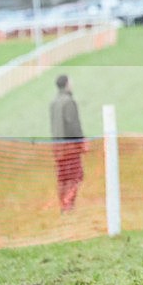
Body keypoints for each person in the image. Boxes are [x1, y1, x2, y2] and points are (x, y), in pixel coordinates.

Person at [50, 74, 86, 213]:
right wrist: (81, 141)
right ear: (66, 84)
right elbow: (73, 125)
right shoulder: (69, 102)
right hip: (70, 146)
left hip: (57, 146)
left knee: (62, 177)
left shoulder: (53, 103)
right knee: (75, 175)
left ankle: (63, 204)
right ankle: (69, 204)